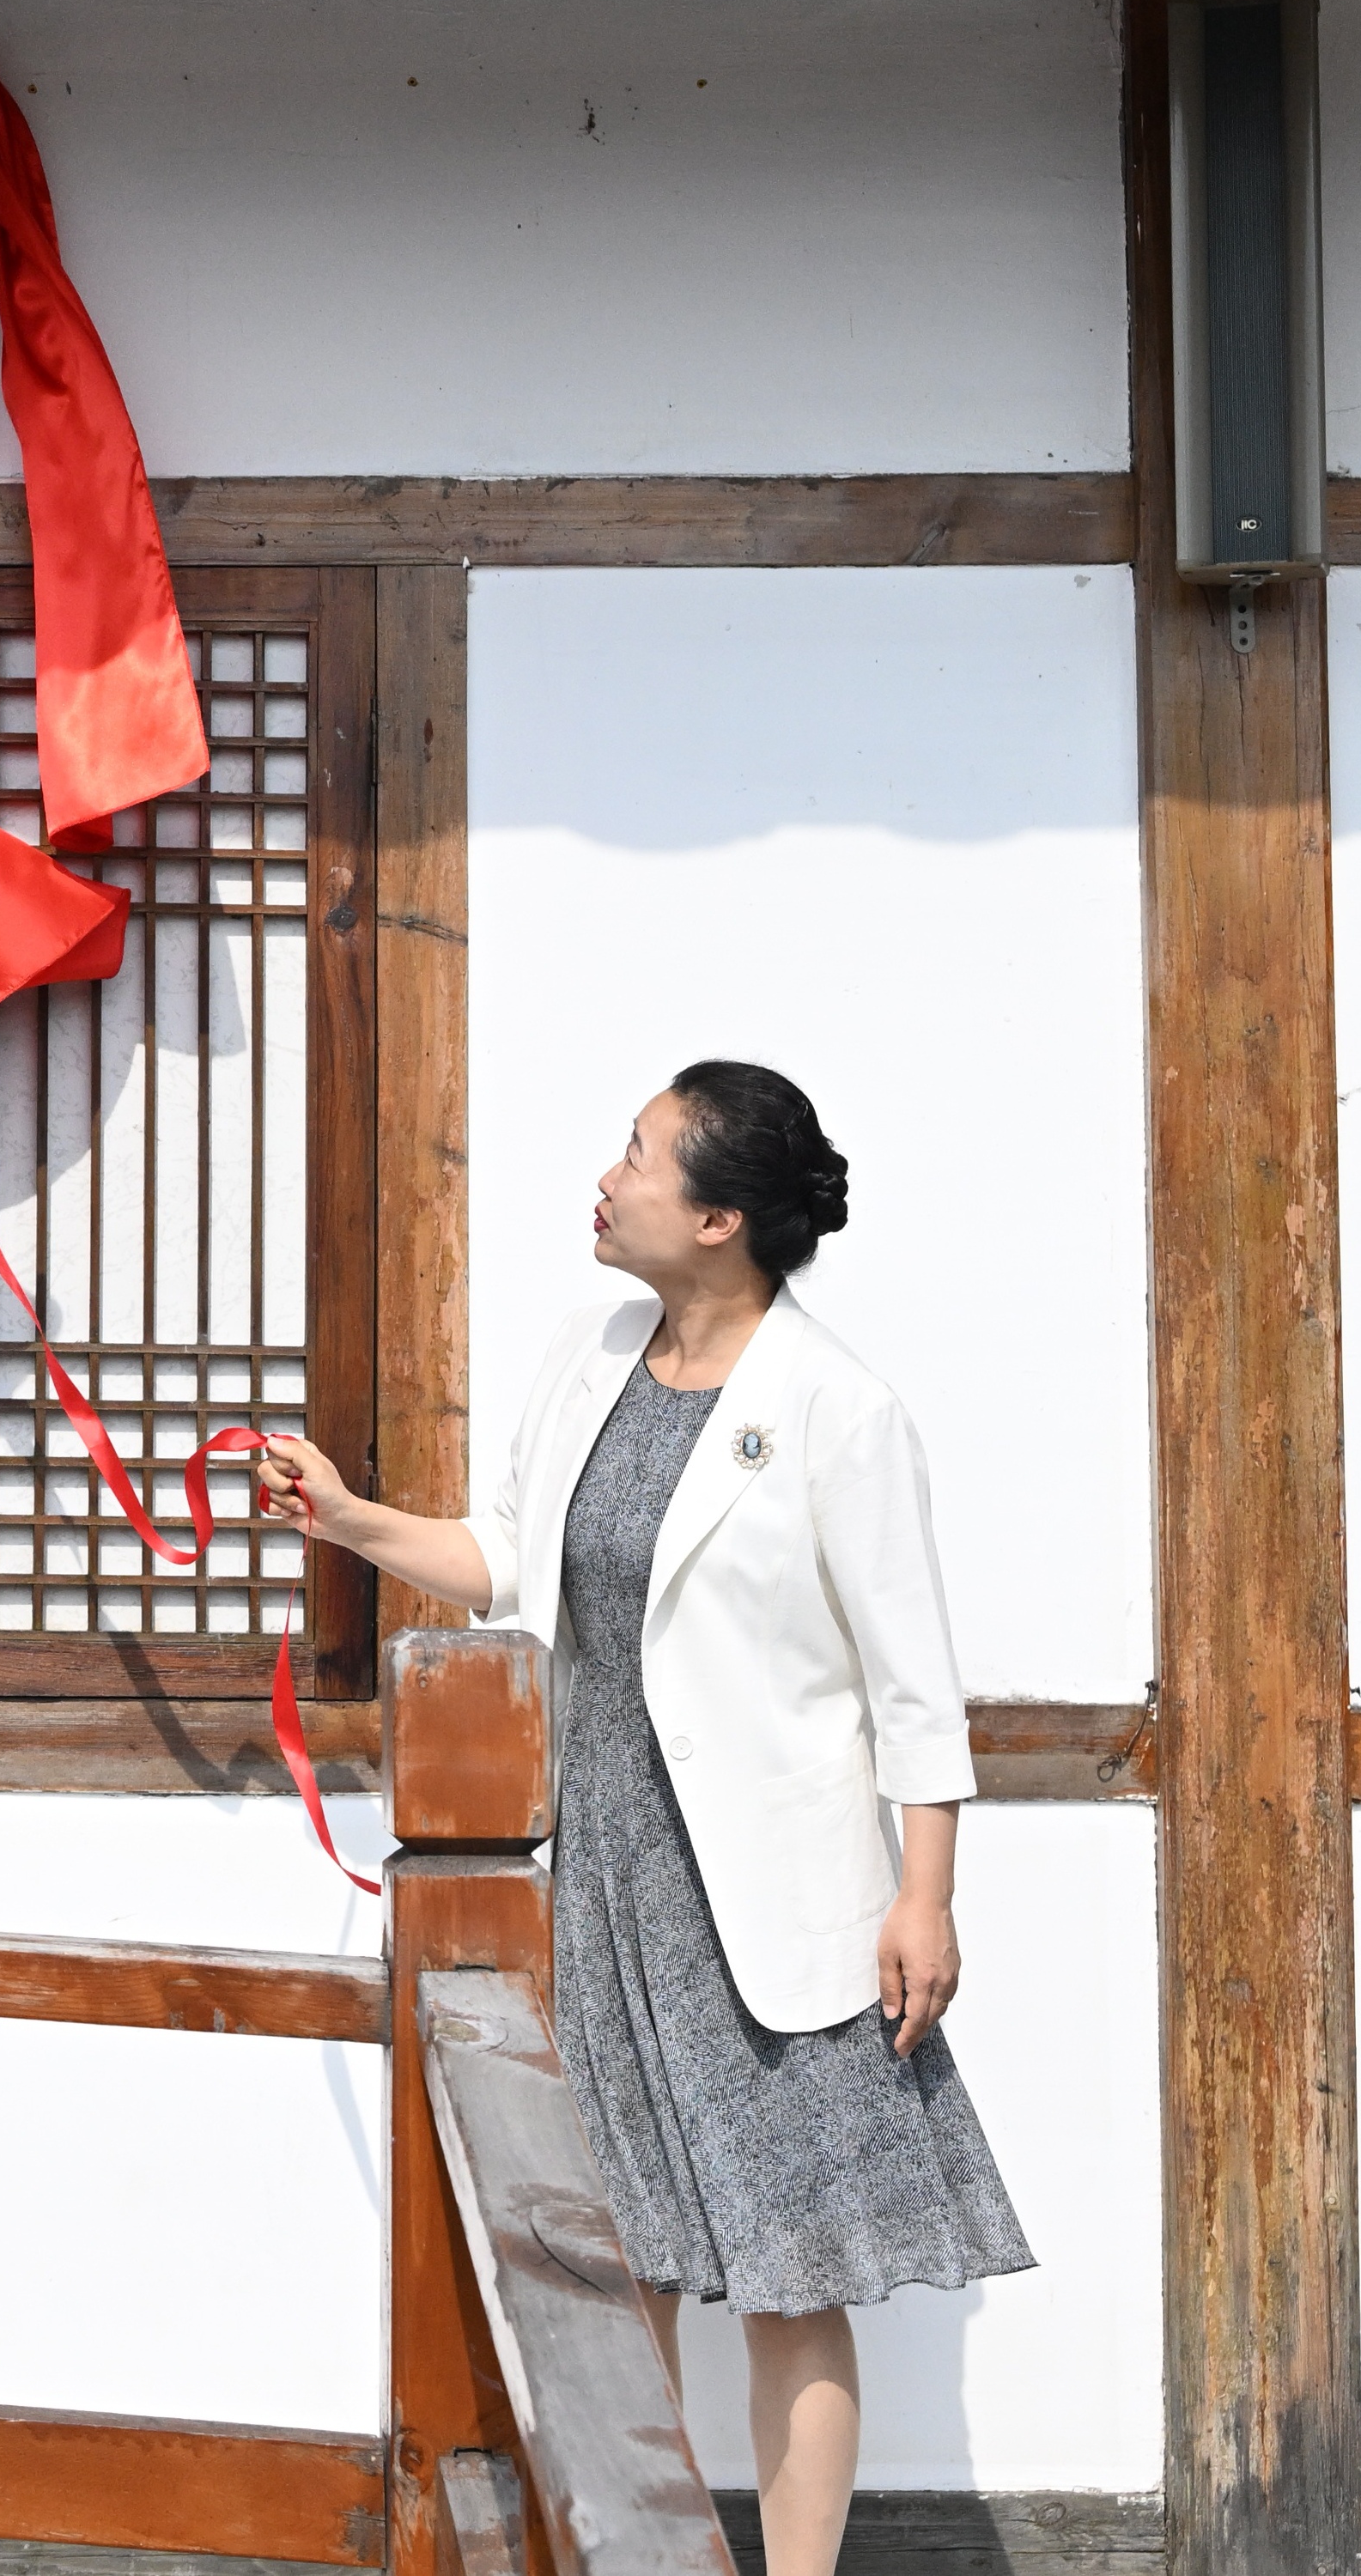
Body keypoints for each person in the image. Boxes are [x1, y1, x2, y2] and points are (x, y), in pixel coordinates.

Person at [256, 1060, 1030, 2576]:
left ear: (719, 1217)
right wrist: (348, 1520)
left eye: (637, 1156)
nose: (606, 1180)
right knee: (627, 2267)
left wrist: (923, 1896)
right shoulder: (592, 1350)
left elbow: (912, 1688)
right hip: (598, 1871)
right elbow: (504, 1555)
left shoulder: (838, 1409)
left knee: (790, 2273)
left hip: (765, 1896)